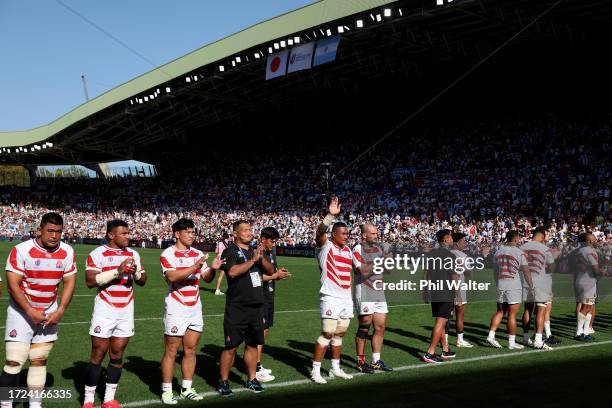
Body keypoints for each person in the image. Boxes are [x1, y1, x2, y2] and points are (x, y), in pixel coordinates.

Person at [0, 212, 77, 408]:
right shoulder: (21, 250)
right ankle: (6, 404)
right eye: (50, 231)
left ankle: (34, 404)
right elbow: (13, 285)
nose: (54, 236)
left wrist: (60, 310)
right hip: (21, 313)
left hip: (49, 313)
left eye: (58, 232)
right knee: (14, 362)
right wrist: (29, 310)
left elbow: (69, 282)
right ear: (39, 230)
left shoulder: (67, 251)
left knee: (38, 360)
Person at [82, 220, 147, 408]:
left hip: (126, 310)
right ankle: (88, 400)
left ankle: (109, 399)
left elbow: (143, 280)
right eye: (124, 233)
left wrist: (135, 273)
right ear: (111, 235)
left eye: (128, 233)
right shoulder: (97, 253)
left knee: (117, 354)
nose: (128, 236)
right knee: (98, 353)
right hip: (105, 309)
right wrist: (117, 271)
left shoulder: (133, 253)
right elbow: (90, 281)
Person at [160, 218, 223, 404]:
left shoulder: (197, 253)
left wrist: (212, 268)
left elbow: (207, 278)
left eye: (193, 232)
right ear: (177, 234)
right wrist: (195, 266)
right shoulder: (168, 254)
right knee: (171, 350)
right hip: (176, 308)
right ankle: (167, 390)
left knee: (190, 349)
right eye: (188, 232)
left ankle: (186, 388)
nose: (192, 235)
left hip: (195, 308)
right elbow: (171, 277)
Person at [217, 220, 274, 397]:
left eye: (251, 229)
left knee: (252, 345)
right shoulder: (230, 251)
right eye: (246, 230)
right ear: (235, 234)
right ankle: (224, 381)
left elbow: (271, 271)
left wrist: (260, 257)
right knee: (231, 346)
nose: (250, 232)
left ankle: (251, 379)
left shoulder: (253, 251)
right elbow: (232, 272)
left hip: (256, 306)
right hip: (237, 307)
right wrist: (252, 260)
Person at [310, 197, 354, 384]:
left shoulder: (348, 251)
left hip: (346, 298)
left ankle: (335, 369)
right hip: (330, 297)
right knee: (327, 332)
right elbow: (319, 232)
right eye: (343, 233)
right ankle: (315, 370)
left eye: (347, 234)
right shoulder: (326, 247)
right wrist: (330, 216)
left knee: (339, 334)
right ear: (333, 234)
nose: (346, 236)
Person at [352, 223, 392, 373]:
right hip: (365, 291)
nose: (377, 236)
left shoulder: (379, 248)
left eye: (377, 233)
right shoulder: (357, 248)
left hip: (379, 292)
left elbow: (387, 269)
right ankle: (360, 362)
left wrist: (388, 259)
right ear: (364, 235)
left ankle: (376, 361)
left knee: (380, 326)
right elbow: (362, 271)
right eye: (374, 234)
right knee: (364, 327)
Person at [256, 227, 291, 383]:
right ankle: (255, 369)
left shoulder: (271, 252)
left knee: (265, 331)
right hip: (259, 297)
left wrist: (278, 273)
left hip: (269, 296)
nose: (274, 244)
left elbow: (271, 272)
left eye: (276, 241)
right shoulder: (257, 253)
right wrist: (275, 275)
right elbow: (254, 277)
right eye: (272, 241)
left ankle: (257, 364)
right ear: (263, 239)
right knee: (259, 333)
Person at [486, 230, 531, 349]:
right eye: (519, 239)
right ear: (515, 239)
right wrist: (531, 287)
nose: (519, 241)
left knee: (500, 311)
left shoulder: (498, 252)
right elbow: (526, 272)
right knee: (512, 314)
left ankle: (491, 335)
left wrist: (497, 283)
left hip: (501, 283)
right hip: (513, 285)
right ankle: (511, 343)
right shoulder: (519, 253)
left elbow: (495, 271)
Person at [422, 229, 457, 363]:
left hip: (434, 291)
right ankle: (430, 352)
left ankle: (445, 349)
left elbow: (426, 273)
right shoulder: (450, 256)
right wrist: (458, 295)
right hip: (446, 292)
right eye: (451, 237)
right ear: (446, 239)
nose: (452, 240)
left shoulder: (431, 254)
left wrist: (425, 290)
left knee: (441, 321)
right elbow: (454, 277)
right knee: (441, 322)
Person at [519, 227, 555, 349]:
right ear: (543, 236)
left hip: (525, 280)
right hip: (540, 281)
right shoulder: (545, 249)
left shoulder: (522, 247)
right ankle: (538, 340)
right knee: (541, 309)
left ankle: (525, 337)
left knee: (527, 309)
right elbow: (551, 268)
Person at [571, 233, 608, 341]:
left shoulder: (578, 251)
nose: (595, 239)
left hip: (581, 279)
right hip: (588, 281)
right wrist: (604, 272)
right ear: (589, 240)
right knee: (586, 307)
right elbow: (596, 269)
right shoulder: (589, 251)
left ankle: (585, 331)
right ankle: (579, 333)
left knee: (589, 307)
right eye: (593, 237)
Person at [450, 232, 474, 348]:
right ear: (458, 242)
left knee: (445, 316)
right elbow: (469, 273)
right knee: (459, 315)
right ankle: (460, 340)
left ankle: (443, 339)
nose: (465, 243)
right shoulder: (463, 256)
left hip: (444, 288)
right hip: (458, 288)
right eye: (463, 241)